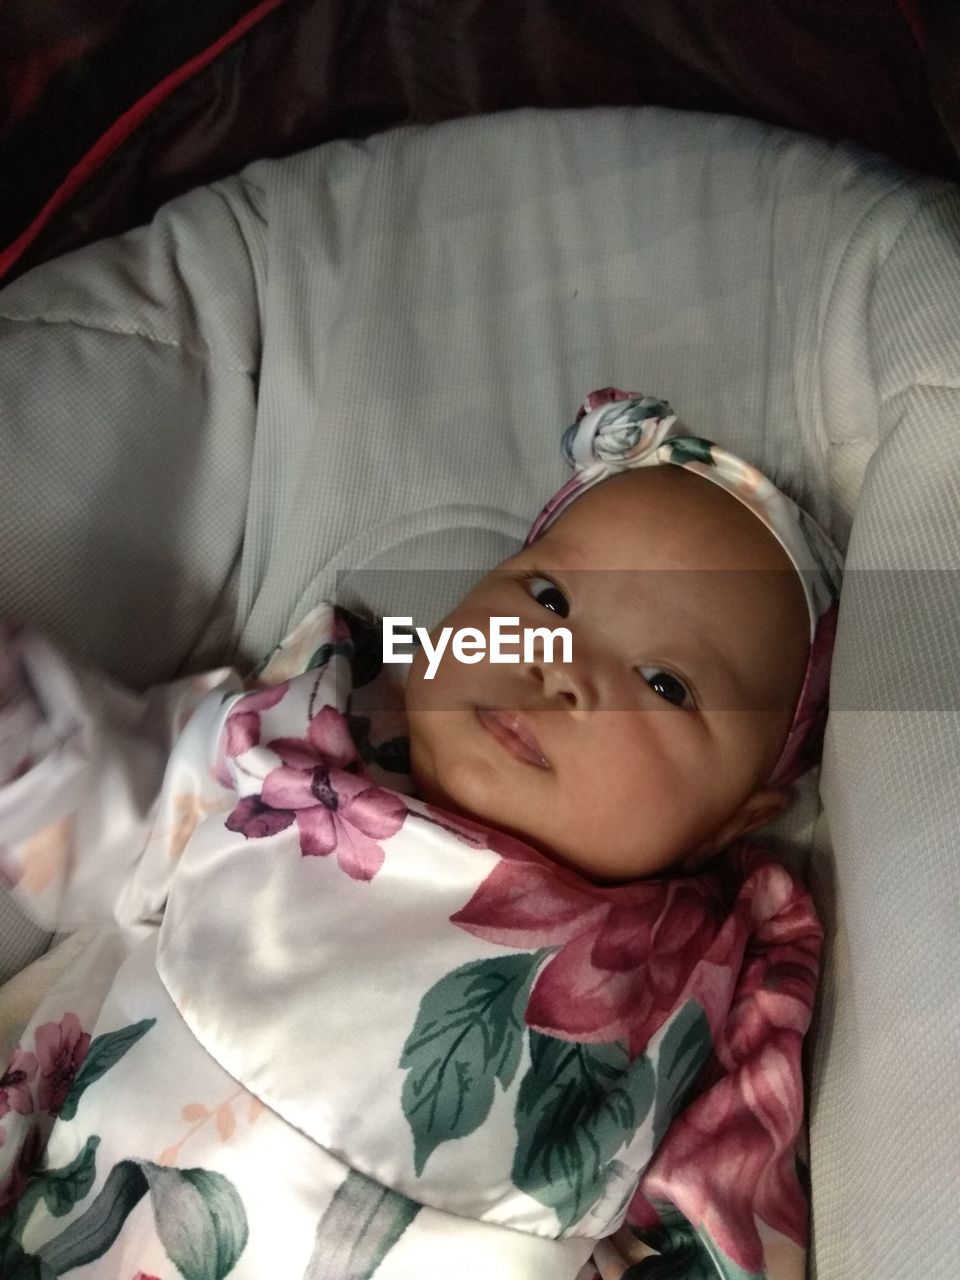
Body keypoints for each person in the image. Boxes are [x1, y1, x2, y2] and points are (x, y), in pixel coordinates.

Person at [0, 390, 842, 1279]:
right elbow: (111, 817)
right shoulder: (308, 734)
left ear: (735, 819)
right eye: (549, 597)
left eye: (665, 684)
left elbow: (723, 1225)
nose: (559, 669)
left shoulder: (710, 971)